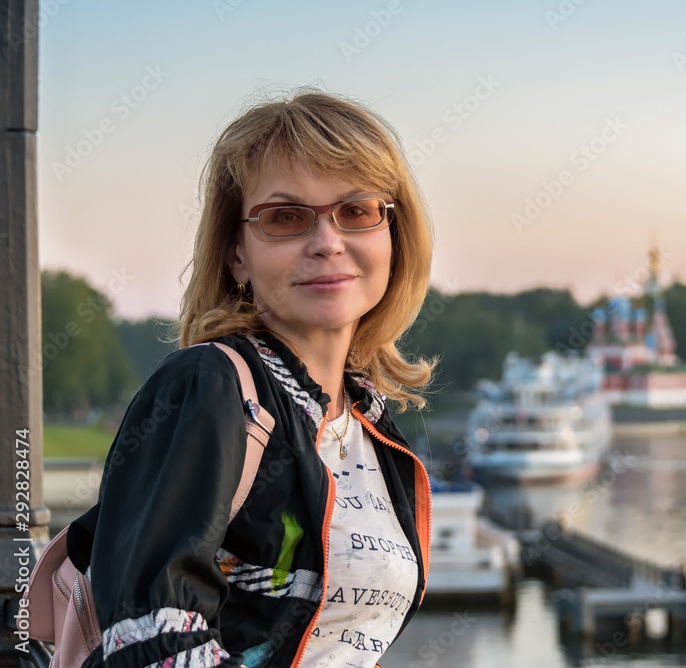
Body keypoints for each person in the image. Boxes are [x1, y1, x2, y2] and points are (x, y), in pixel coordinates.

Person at [64, 89, 437, 668]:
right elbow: (154, 643)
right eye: (285, 218)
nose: (327, 242)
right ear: (237, 254)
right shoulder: (209, 388)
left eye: (356, 211)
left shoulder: (369, 423)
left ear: (393, 234)